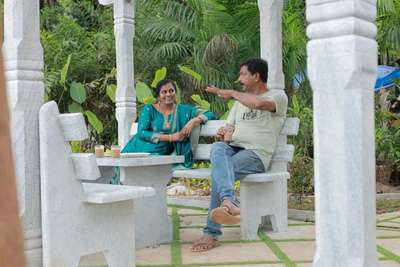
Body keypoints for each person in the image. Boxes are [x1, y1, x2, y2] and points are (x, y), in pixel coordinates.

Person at [191, 58, 288, 252]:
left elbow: (260, 104)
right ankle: (229, 200)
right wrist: (224, 134)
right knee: (218, 148)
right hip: (234, 148)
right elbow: (230, 127)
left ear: (256, 76)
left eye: (243, 74)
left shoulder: (278, 96)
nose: (239, 78)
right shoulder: (238, 104)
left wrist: (231, 93)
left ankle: (211, 233)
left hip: (256, 154)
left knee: (219, 175)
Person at [121, 79, 214, 168]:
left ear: (175, 93)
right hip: (138, 148)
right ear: (158, 97)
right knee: (121, 173)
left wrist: (194, 121)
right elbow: (141, 132)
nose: (168, 94)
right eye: (164, 92)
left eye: (171, 91)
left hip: (161, 154)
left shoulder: (183, 110)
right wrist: (171, 137)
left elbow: (209, 113)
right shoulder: (150, 109)